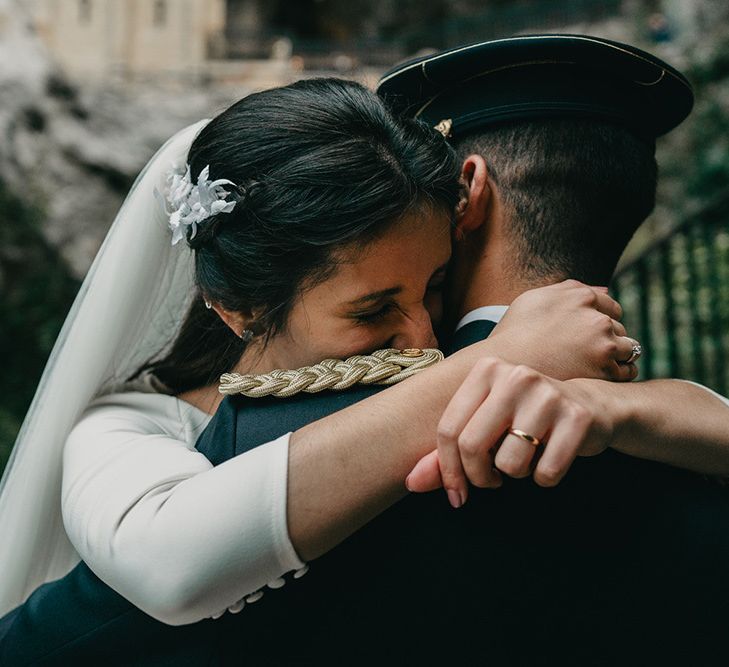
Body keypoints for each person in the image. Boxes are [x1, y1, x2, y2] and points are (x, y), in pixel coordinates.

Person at [3, 35, 729, 666]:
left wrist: (627, 407)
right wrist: (504, 358)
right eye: (373, 308)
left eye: (434, 285)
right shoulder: (140, 432)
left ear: (464, 198)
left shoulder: (598, 414)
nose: (418, 335)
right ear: (238, 310)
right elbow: (164, 564)